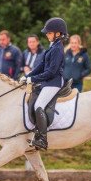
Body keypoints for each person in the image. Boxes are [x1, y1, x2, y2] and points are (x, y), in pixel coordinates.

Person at [19, 17, 68, 150]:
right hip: (48, 81)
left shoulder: (58, 49)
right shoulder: (52, 46)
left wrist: (33, 80)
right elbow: (41, 65)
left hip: (54, 82)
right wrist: (27, 76)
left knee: (39, 105)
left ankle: (42, 139)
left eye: (49, 33)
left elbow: (51, 72)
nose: (46, 35)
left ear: (58, 34)